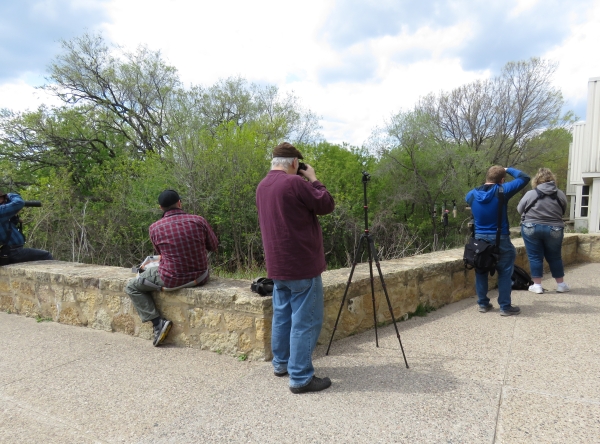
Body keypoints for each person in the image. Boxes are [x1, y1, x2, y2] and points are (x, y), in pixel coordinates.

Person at [256, 142, 335, 394]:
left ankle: (281, 364)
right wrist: (313, 179)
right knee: (305, 321)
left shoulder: (262, 186)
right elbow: (326, 205)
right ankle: (300, 376)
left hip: (277, 265)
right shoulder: (295, 183)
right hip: (302, 264)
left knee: (282, 316)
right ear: (293, 163)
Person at [125, 190, 218, 347]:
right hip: (200, 277)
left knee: (132, 286)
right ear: (180, 203)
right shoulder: (198, 221)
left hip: (171, 280)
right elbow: (213, 246)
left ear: (161, 208)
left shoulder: (154, 228)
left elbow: (161, 254)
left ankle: (157, 323)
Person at [466, 166, 530, 316]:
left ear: (486, 177)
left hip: (479, 239)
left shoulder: (471, 195)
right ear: (502, 180)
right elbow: (524, 177)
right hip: (500, 238)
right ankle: (505, 307)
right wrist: (508, 168)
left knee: (481, 270)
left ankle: (483, 304)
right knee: (505, 272)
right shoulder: (503, 190)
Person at [517, 168, 569, 294]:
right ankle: (561, 284)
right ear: (552, 179)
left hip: (531, 227)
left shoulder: (531, 193)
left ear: (537, 180)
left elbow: (520, 209)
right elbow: (563, 210)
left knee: (535, 257)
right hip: (554, 228)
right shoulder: (560, 194)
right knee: (555, 256)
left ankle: (537, 285)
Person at [0, 189, 53, 264]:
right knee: (46, 255)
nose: (4, 202)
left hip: (5, 252)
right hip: (12, 252)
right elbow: (19, 203)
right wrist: (10, 195)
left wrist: (13, 217)